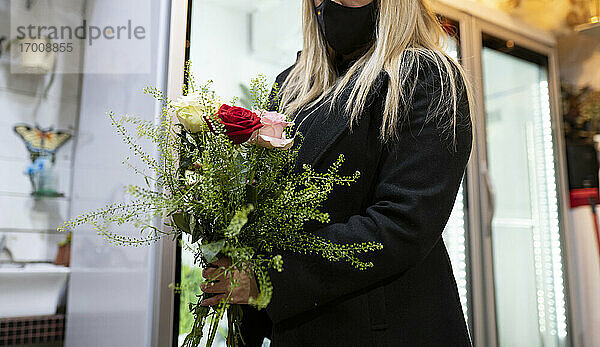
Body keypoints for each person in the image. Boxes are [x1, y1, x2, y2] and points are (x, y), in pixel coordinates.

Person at [201, 0, 474, 345]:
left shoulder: (425, 75)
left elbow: (405, 223)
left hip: (382, 327)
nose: (328, 4)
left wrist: (265, 277)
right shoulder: (292, 85)